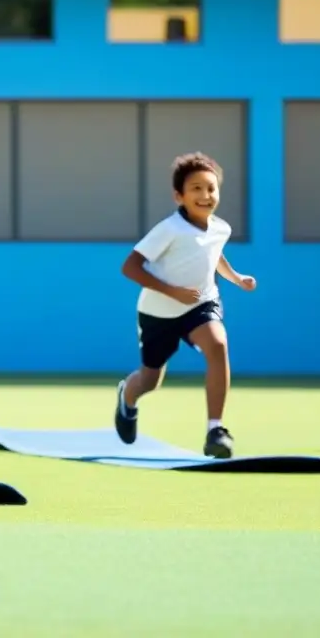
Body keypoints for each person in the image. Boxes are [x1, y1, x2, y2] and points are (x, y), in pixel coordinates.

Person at [114, 152, 256, 459]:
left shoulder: (221, 229)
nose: (205, 195)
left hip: (200, 303)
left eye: (211, 188)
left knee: (218, 344)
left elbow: (213, 255)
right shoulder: (169, 229)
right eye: (196, 188)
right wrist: (172, 291)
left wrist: (236, 278)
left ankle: (215, 429)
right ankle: (128, 395)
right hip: (158, 312)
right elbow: (131, 267)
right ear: (179, 195)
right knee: (151, 379)